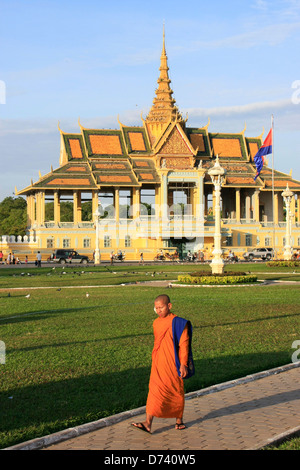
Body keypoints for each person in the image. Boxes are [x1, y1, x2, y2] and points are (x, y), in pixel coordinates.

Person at [131, 294, 194, 434]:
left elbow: (184, 345)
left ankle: (179, 420)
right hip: (158, 362)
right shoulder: (156, 323)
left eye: (161, 307)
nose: (158, 310)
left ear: (169, 306)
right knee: (154, 391)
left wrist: (183, 364)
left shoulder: (179, 323)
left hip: (173, 363)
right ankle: (148, 423)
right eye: (156, 308)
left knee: (175, 390)